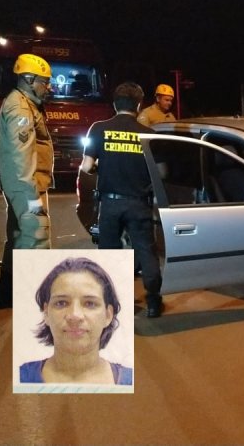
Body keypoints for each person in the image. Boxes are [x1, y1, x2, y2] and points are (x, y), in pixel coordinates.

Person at [81, 82, 164, 318]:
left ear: (115, 104)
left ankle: (114, 302)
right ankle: (153, 302)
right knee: (146, 251)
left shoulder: (98, 129)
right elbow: (162, 172)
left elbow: (86, 167)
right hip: (139, 203)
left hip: (110, 203)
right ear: (138, 105)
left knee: (110, 253)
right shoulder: (149, 134)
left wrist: (103, 168)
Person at [0, 53, 55, 308]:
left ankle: (6, 296)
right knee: (36, 238)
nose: (48, 87)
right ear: (29, 79)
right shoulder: (20, 108)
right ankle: (33, 306)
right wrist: (32, 199)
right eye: (44, 82)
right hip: (27, 187)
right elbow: (21, 158)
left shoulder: (26, 103)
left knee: (18, 238)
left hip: (24, 186)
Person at [19, 257, 132, 385]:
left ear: (108, 315)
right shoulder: (20, 377)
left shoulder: (131, 381)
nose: (75, 315)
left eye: (89, 303)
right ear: (46, 313)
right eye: (61, 303)